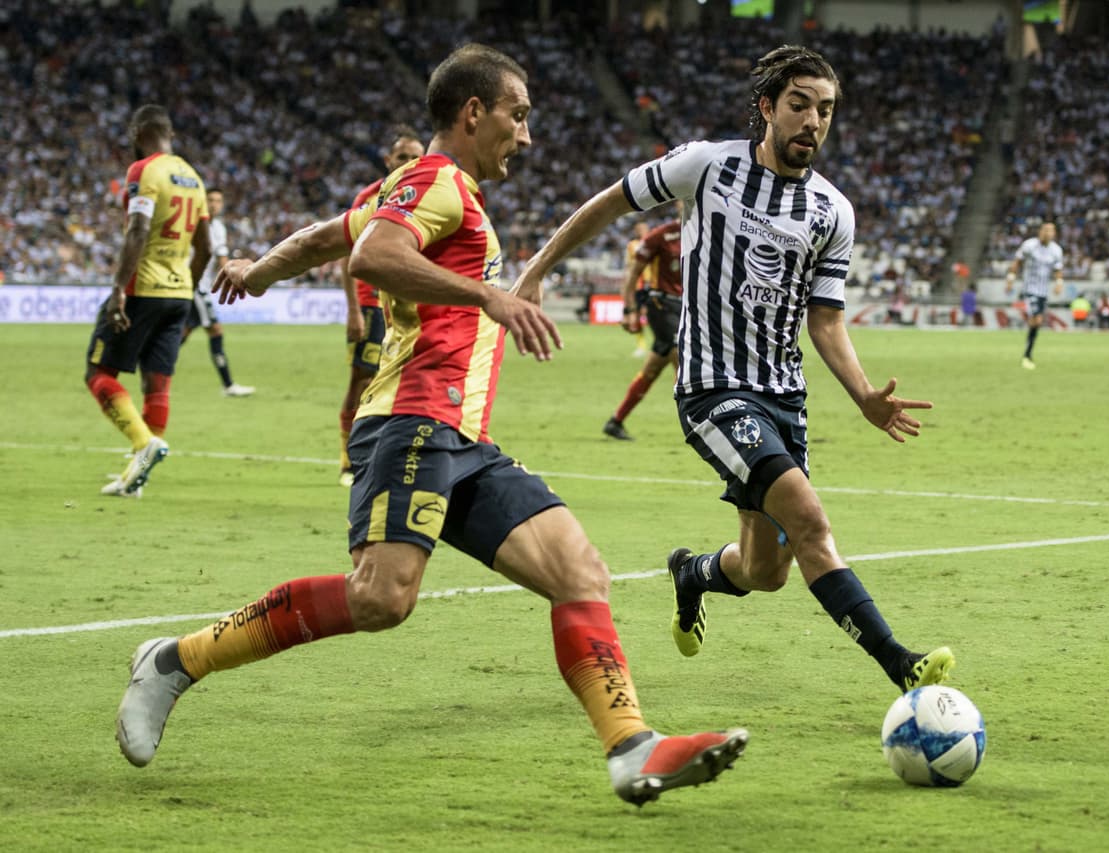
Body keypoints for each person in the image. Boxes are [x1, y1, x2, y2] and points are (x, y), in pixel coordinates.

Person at [114, 44, 748, 807]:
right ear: (473, 113)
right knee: (382, 598)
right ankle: (175, 661)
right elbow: (373, 255)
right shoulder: (438, 180)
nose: (527, 135)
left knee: (580, 572)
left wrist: (257, 272)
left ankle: (630, 746)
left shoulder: (426, 189)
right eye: (518, 115)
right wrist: (490, 298)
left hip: (463, 438)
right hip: (410, 419)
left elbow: (330, 237)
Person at [513, 45, 954, 697]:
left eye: (825, 110)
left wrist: (863, 394)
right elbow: (611, 202)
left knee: (765, 569)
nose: (812, 122)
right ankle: (901, 664)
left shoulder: (834, 213)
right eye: (799, 105)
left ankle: (692, 573)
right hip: (713, 391)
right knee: (809, 519)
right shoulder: (707, 167)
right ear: (768, 107)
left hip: (784, 399)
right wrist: (535, 270)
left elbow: (825, 320)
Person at [89, 105, 211, 498]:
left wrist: (118, 290)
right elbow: (205, 247)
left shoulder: (145, 170)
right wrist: (185, 287)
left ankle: (144, 444)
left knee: (98, 372)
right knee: (156, 383)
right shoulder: (193, 178)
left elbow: (138, 229)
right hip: (178, 293)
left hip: (144, 288)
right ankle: (134, 479)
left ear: (139, 131)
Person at [337, 125, 426, 487]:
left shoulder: (427, 196)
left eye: (414, 157)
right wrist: (354, 310)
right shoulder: (371, 197)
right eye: (402, 157)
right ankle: (348, 459)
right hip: (371, 304)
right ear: (388, 160)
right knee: (362, 379)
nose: (408, 162)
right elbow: (347, 254)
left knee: (402, 382)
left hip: (409, 306)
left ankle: (388, 456)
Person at [603, 213, 682, 441]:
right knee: (684, 359)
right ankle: (698, 425)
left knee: (653, 368)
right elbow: (632, 273)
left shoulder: (704, 231)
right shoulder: (660, 236)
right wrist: (629, 310)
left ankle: (616, 420)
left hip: (685, 307)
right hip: (661, 304)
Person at [181, 187, 255, 397]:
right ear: (203, 202)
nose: (214, 204)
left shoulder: (219, 228)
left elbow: (222, 259)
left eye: (218, 201)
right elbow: (222, 261)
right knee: (215, 330)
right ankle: (228, 385)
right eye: (210, 200)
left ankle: (155, 367)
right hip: (193, 285)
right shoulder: (194, 223)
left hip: (199, 286)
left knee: (183, 331)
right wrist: (236, 277)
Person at [1005, 221, 1064, 369]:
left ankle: (1028, 352)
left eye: (1051, 231)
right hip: (1029, 288)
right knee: (1037, 320)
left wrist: (1059, 283)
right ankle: (1027, 355)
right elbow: (1017, 262)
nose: (1048, 233)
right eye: (1045, 230)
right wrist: (1010, 280)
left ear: (1054, 234)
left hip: (1043, 291)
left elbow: (1058, 269)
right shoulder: (1029, 246)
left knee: (1037, 321)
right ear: (1040, 232)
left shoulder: (1056, 250)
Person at [624, 221, 656, 358]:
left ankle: (659, 343)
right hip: (638, 285)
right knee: (636, 316)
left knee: (654, 315)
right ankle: (641, 346)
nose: (640, 231)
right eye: (638, 229)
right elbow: (629, 265)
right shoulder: (632, 245)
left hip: (653, 283)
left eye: (642, 228)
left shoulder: (655, 241)